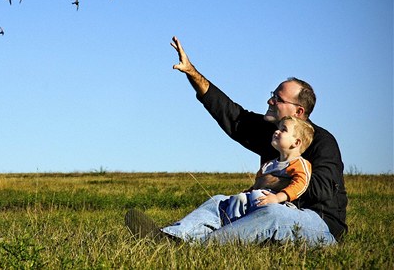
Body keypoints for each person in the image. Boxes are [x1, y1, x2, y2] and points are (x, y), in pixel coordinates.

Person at [125, 36, 347, 245]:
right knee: (220, 202)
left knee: (272, 214)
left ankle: (202, 247)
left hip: (318, 223)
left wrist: (274, 182)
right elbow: (231, 114)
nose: (270, 100)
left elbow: (323, 189)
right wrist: (191, 72)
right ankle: (169, 239)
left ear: (299, 111)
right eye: (273, 94)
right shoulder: (272, 132)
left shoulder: (322, 142)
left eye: (278, 99)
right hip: (269, 207)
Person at [218, 115, 313, 225]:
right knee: (238, 198)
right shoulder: (268, 165)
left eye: (283, 130)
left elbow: (300, 185)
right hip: (259, 198)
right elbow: (256, 186)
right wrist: (246, 193)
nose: (277, 131)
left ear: (296, 143)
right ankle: (229, 227)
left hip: (281, 204)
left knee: (257, 197)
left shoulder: (299, 163)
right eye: (278, 128)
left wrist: (277, 198)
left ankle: (249, 228)